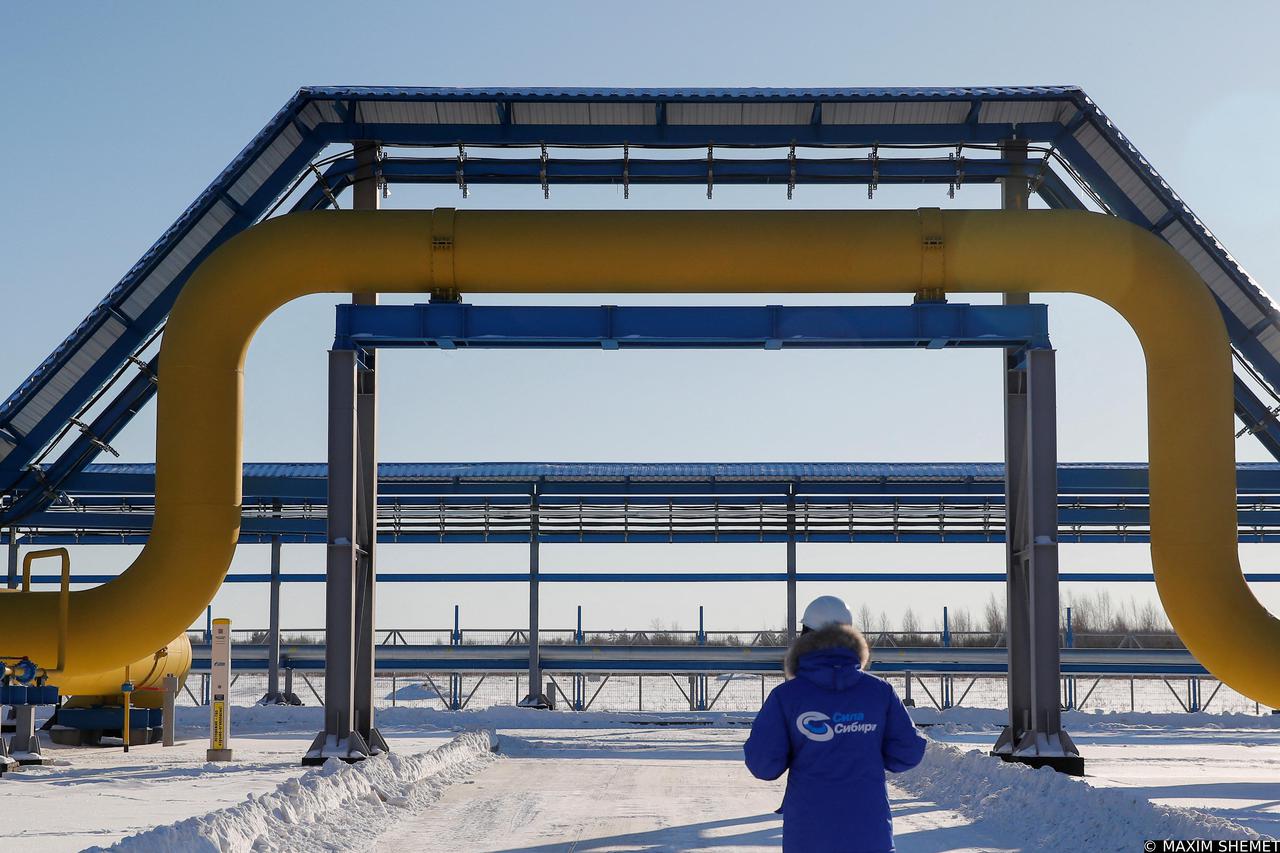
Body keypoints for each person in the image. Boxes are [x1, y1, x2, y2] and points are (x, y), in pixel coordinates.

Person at [744, 595, 927, 853]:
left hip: (808, 836)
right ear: (852, 635)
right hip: (870, 835)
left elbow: (764, 764)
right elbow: (907, 752)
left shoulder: (786, 697)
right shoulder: (879, 692)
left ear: (804, 635)